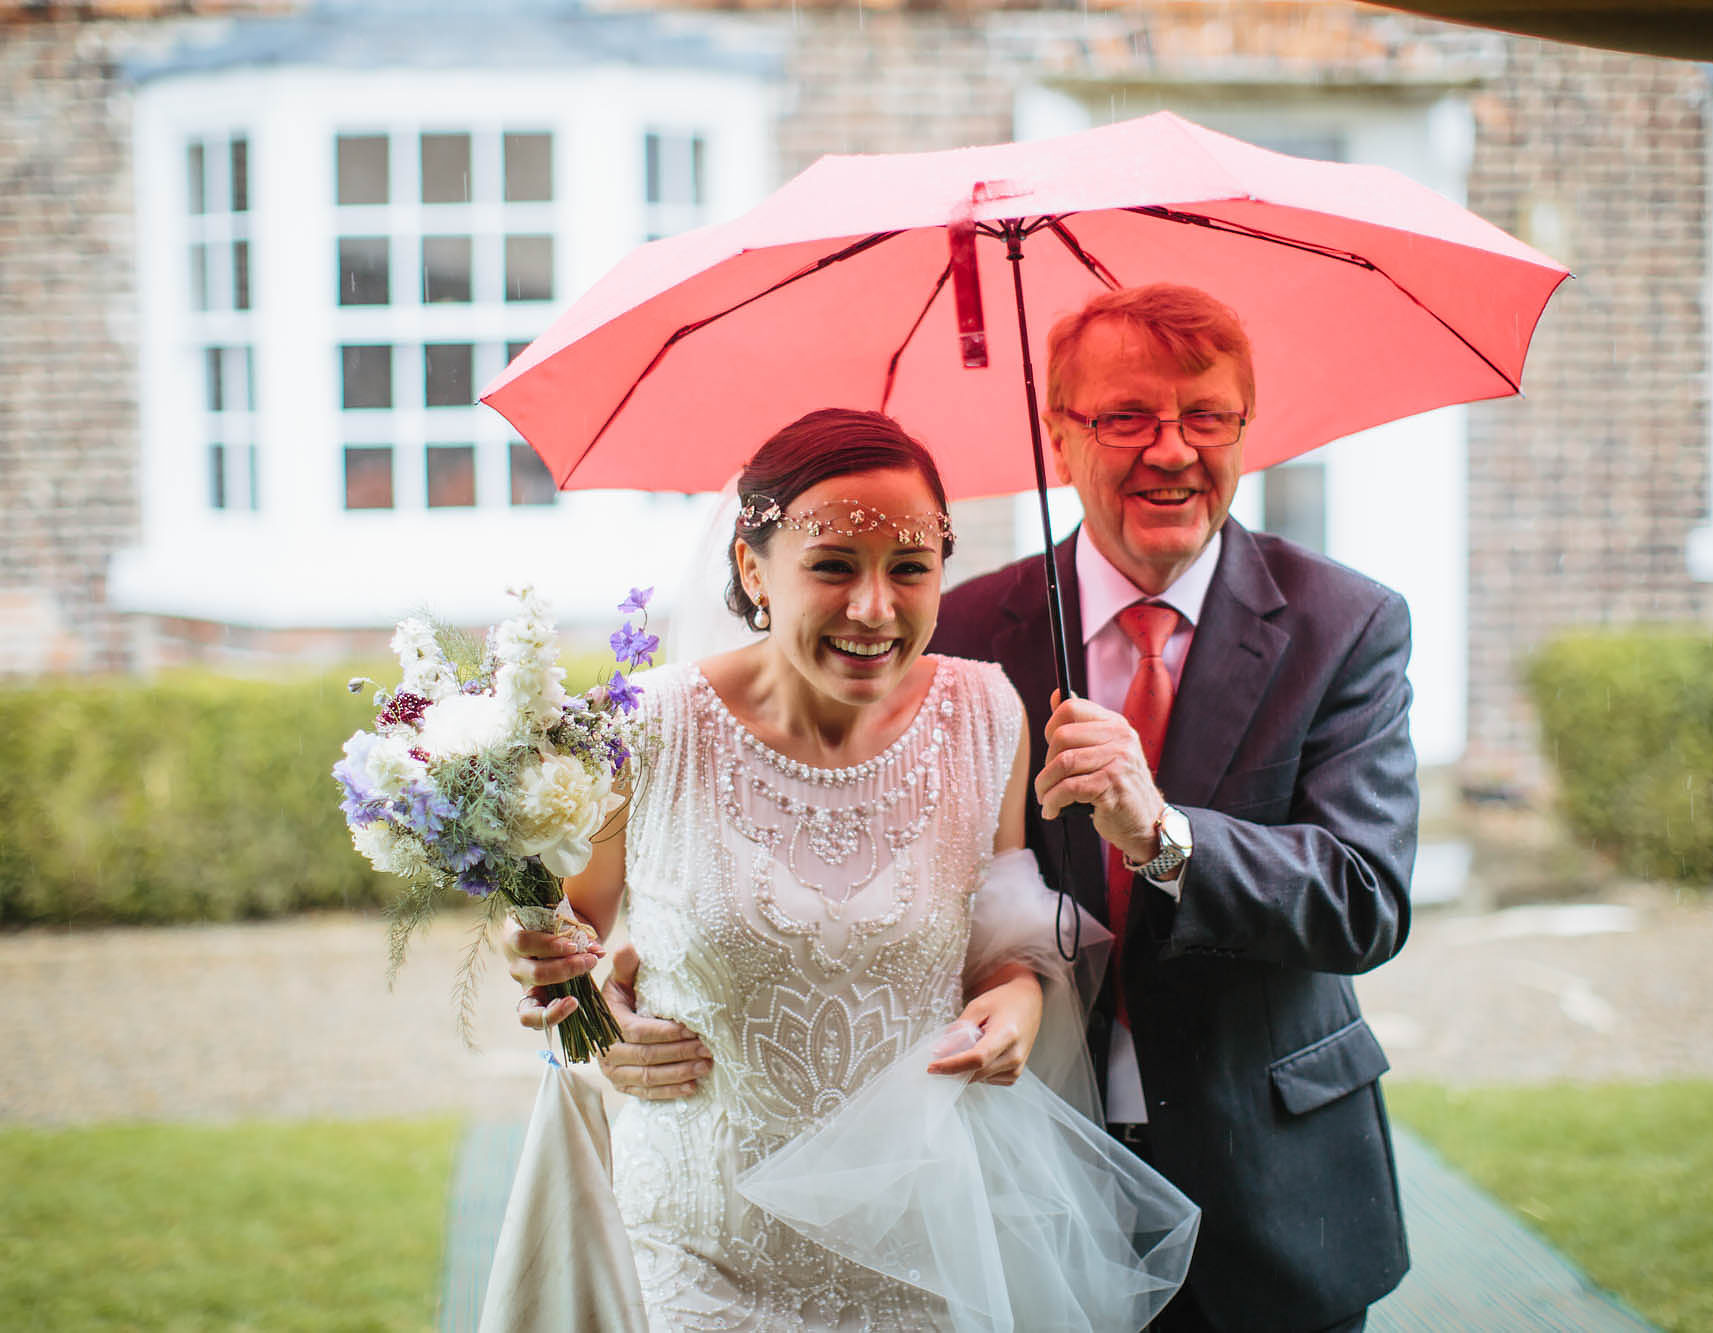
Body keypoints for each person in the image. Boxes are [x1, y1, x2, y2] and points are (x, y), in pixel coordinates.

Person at [518, 284, 1417, 1330]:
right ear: (1060, 432)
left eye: (1205, 416)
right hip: (986, 1183)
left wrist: (1160, 836)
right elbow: (627, 918)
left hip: (1264, 1173)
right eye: (1126, 416)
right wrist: (616, 993)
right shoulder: (964, 632)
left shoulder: (1344, 623)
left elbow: (1365, 900)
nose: (1169, 450)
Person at [513, 407, 1193, 1330]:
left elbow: (998, 939)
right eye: (832, 565)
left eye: (909, 569)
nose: (875, 608)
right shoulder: (648, 729)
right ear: (755, 569)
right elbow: (568, 959)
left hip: (925, 1244)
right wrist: (594, 1024)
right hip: (695, 1249)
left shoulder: (984, 715)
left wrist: (1019, 1005)